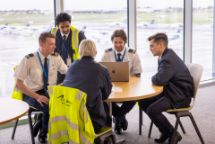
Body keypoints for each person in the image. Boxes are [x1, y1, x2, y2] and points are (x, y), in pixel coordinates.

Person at [138, 33, 194, 144]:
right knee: (143, 102)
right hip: (172, 90)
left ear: (160, 45)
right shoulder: (165, 55)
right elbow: (161, 77)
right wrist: (156, 77)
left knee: (152, 110)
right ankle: (165, 131)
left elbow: (159, 80)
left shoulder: (168, 59)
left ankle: (173, 134)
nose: (150, 49)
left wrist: (153, 77)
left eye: (152, 46)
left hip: (179, 96)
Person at [14, 32, 68, 143]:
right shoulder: (28, 59)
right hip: (32, 93)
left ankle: (38, 125)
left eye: (54, 44)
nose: (54, 46)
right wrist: (37, 96)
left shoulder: (56, 57)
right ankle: (43, 134)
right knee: (49, 106)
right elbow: (18, 84)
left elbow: (67, 71)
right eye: (51, 44)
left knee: (66, 103)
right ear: (41, 44)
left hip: (49, 91)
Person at [63, 39, 112, 133]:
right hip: (92, 121)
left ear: (79, 51)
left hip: (71, 120)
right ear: (95, 52)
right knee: (105, 109)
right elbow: (106, 95)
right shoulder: (101, 70)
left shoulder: (71, 67)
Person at [101, 29, 142, 134]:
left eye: (120, 42)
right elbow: (101, 71)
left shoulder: (133, 54)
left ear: (125, 42)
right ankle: (121, 117)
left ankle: (118, 118)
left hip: (129, 86)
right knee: (105, 99)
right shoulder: (107, 53)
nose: (118, 45)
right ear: (112, 42)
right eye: (115, 42)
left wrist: (132, 82)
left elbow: (138, 73)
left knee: (134, 99)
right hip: (111, 86)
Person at [51, 12, 86, 84]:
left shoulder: (79, 34)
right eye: (62, 27)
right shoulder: (52, 33)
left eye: (67, 26)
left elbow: (86, 51)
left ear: (70, 24)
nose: (65, 29)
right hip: (58, 68)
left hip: (74, 68)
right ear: (57, 26)